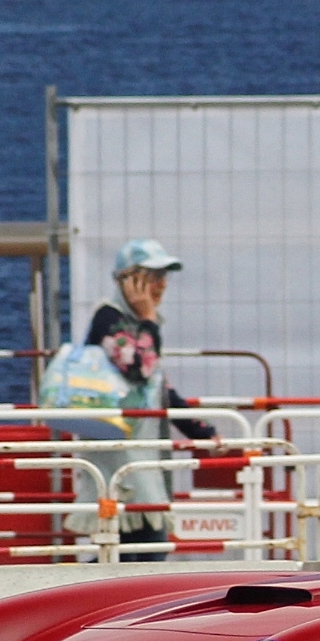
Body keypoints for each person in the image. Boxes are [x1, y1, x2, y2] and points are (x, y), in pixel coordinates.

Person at [87, 239, 213, 560]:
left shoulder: (132, 324)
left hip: (139, 453)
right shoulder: (109, 320)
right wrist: (149, 320)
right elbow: (139, 369)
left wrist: (201, 431)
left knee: (137, 545)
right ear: (128, 280)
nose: (161, 285)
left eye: (163, 277)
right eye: (153, 276)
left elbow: (160, 390)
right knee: (146, 543)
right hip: (120, 455)